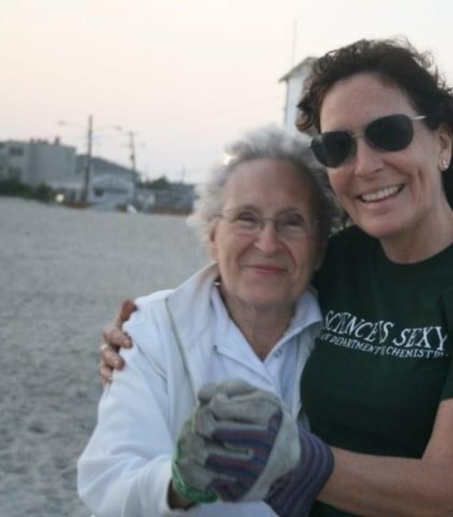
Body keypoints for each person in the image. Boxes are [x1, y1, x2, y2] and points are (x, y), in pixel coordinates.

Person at [100, 38, 453, 516]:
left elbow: (444, 487)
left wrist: (299, 461)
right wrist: (144, 333)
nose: (365, 165)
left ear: (442, 143)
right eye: (338, 146)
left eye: (389, 133)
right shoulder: (339, 262)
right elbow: (251, 273)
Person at [78, 127, 339, 516]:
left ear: (319, 246)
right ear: (213, 236)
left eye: (292, 222)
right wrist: (178, 484)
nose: (267, 243)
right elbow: (107, 485)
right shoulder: (152, 330)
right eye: (246, 218)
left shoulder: (347, 333)